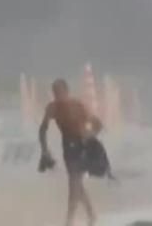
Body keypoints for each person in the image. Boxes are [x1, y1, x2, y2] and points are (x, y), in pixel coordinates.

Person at [39, 79, 104, 226]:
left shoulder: (76, 105)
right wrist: (44, 149)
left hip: (81, 147)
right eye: (55, 92)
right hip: (68, 149)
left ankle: (69, 221)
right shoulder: (53, 108)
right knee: (76, 184)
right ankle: (91, 214)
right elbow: (43, 129)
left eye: (60, 92)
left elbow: (98, 124)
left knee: (73, 184)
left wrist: (89, 136)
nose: (57, 95)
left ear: (66, 92)